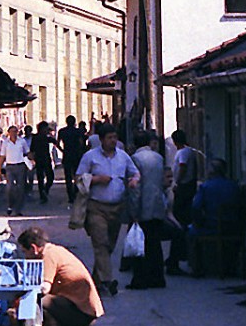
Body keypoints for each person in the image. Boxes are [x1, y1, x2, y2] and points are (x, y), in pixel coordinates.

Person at [75, 123, 140, 295]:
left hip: (117, 207)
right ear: (101, 139)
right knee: (100, 242)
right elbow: (78, 178)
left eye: (115, 137)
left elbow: (135, 172)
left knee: (109, 245)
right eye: (109, 138)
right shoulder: (90, 157)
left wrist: (134, 180)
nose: (113, 141)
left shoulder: (123, 157)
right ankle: (107, 281)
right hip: (96, 207)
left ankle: (96, 278)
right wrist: (96, 179)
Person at [17, 227, 104, 326]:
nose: (25, 257)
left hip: (81, 313)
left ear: (34, 248)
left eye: (25, 252)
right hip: (84, 310)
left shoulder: (48, 255)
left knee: (36, 302)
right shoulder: (55, 250)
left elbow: (44, 288)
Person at [126, 131, 168, 290]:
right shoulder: (158, 157)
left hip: (143, 205)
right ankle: (158, 277)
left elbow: (136, 187)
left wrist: (134, 210)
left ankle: (141, 279)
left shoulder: (135, 159)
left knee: (141, 244)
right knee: (154, 243)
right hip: (156, 203)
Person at [166, 129, 197, 276]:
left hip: (184, 188)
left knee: (179, 223)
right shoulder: (188, 151)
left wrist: (177, 182)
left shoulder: (183, 153)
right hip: (186, 187)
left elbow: (182, 167)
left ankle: (178, 255)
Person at [0, 125, 32, 216]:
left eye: (15, 131)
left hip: (20, 166)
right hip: (10, 167)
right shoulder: (5, 143)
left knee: (20, 188)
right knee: (10, 187)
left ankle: (18, 209)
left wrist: (31, 160)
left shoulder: (22, 141)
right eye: (11, 131)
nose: (13, 133)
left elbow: (27, 152)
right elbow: (2, 156)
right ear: (8, 133)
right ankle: (10, 205)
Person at [57, 115, 87, 205]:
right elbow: (82, 143)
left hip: (67, 155)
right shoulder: (78, 131)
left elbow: (57, 143)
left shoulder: (62, 131)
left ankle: (70, 196)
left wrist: (62, 150)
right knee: (77, 175)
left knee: (68, 177)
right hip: (76, 155)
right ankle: (76, 192)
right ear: (74, 122)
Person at [29, 121, 57, 203]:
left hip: (41, 159)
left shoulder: (37, 137)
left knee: (41, 178)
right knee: (48, 177)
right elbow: (55, 142)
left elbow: (32, 149)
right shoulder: (43, 137)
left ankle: (43, 192)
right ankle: (44, 191)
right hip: (43, 159)